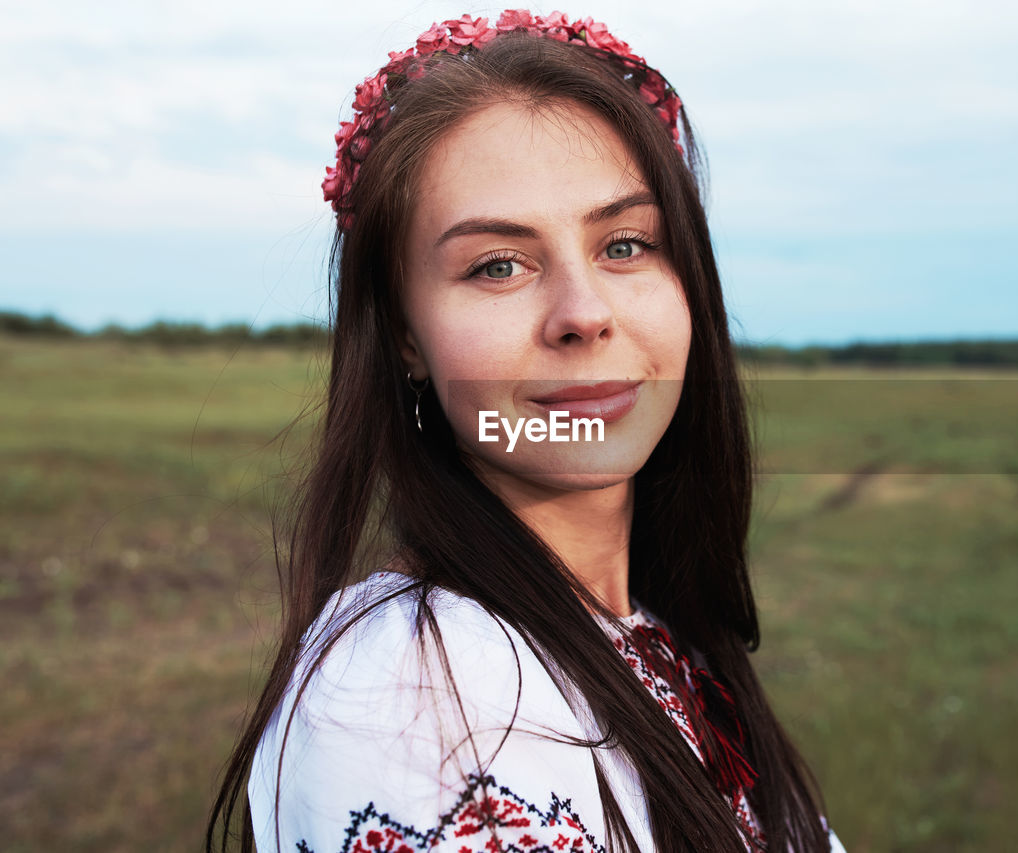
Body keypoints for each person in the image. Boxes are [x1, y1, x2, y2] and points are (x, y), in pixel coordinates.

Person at [207, 11, 847, 853]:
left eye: (626, 244)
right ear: (405, 334)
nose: (584, 314)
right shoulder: (420, 688)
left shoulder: (666, 641)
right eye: (498, 265)